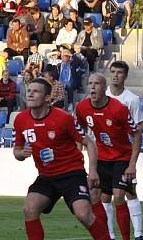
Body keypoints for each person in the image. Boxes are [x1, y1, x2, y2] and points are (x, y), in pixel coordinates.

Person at [13, 78, 111, 240]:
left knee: (83, 214)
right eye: (29, 90)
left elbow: (89, 142)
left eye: (35, 91)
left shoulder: (63, 118)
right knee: (29, 209)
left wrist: (93, 171)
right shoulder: (21, 120)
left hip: (72, 175)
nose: (30, 94)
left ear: (47, 98)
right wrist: (22, 153)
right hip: (46, 177)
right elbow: (16, 151)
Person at [79, 71, 143, 240]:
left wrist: (132, 165)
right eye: (90, 83)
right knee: (95, 196)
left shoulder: (118, 109)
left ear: (104, 88)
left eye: (97, 83)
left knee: (119, 196)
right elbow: (79, 134)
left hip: (122, 157)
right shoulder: (82, 108)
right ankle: (106, 237)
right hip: (101, 158)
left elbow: (137, 134)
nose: (92, 86)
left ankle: (126, 238)